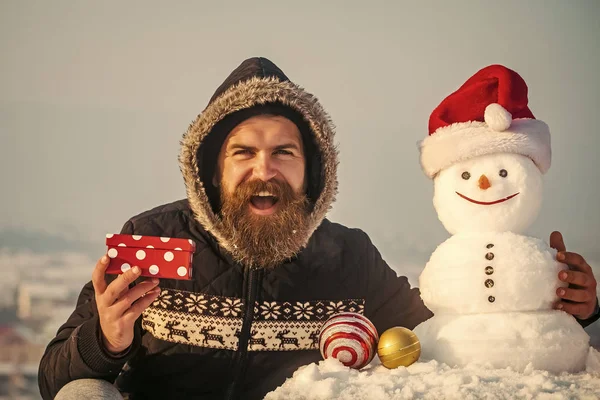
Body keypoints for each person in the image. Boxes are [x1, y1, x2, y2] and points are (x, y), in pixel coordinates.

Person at [37, 57, 599, 400]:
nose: (265, 169)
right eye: (243, 152)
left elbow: (448, 335)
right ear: (211, 166)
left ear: (313, 170)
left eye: (284, 152)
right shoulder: (155, 238)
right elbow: (54, 378)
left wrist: (564, 303)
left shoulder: (347, 255)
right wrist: (105, 339)